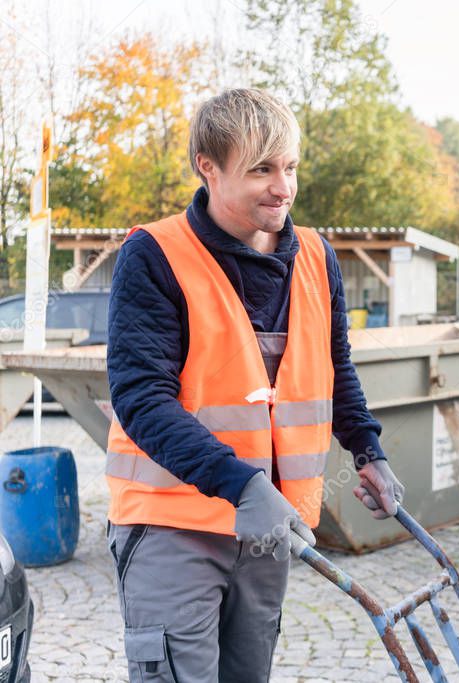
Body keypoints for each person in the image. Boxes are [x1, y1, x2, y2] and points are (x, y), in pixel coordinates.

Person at [104, 88, 405, 682]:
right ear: (208, 169)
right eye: (261, 169)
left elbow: (335, 368)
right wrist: (239, 485)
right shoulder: (154, 255)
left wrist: (368, 449)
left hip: (268, 532)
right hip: (174, 525)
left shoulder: (317, 257)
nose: (283, 187)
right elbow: (141, 398)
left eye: (290, 166)